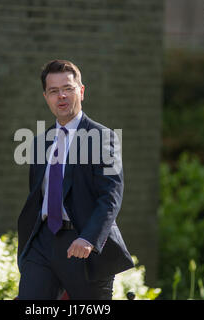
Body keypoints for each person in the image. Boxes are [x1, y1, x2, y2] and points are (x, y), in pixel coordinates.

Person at [17, 59, 134, 300]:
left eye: (68, 88)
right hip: (42, 244)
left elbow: (111, 196)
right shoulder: (40, 142)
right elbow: (38, 195)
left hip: (83, 246)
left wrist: (88, 238)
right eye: (53, 91)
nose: (61, 96)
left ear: (81, 91)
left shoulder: (103, 138)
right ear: (46, 97)